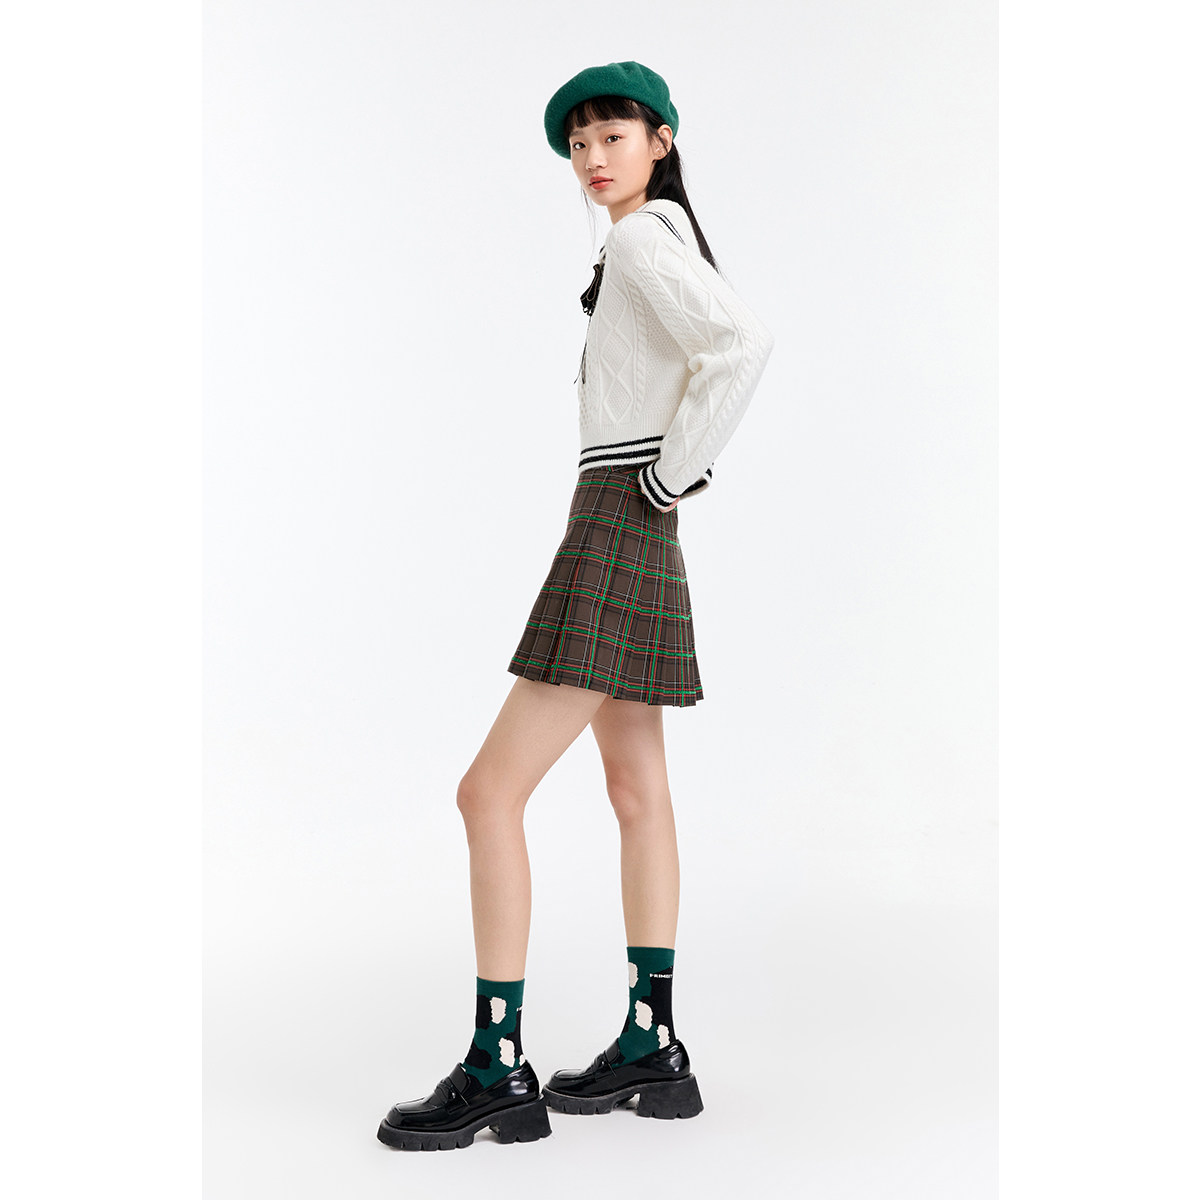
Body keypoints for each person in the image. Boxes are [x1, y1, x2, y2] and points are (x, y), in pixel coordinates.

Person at [377, 60, 775, 1152]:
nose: (593, 158)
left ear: (661, 140)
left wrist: (666, 479)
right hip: (630, 517)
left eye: (613, 136)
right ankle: (653, 1046)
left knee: (487, 792)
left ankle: (495, 1067)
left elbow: (742, 345)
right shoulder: (646, 241)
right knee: (636, 788)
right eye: (578, 144)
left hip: (619, 515)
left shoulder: (644, 240)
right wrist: (664, 487)